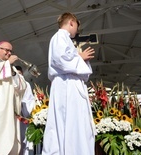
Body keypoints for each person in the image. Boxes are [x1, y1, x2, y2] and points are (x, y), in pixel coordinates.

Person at [42, 12, 96, 155]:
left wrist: (79, 58)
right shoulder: (59, 36)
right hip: (66, 84)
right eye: (77, 26)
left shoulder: (64, 39)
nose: (77, 31)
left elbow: (66, 58)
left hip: (70, 83)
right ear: (71, 22)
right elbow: (60, 59)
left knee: (75, 122)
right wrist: (80, 58)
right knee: (70, 122)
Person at [15, 66, 35, 155]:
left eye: (20, 74)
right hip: (13, 117)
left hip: (22, 117)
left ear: (22, 74)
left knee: (23, 141)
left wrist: (22, 106)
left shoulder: (26, 84)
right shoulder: (10, 83)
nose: (19, 77)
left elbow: (30, 99)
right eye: (17, 74)